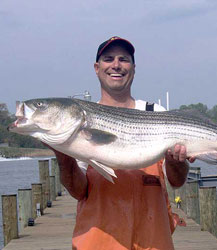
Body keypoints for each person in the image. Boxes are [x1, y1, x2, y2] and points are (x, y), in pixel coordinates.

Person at [52, 36, 195, 250]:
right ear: (97, 67)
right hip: (98, 243)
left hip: (153, 242)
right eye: (108, 59)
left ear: (134, 68)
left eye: (124, 59)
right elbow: (78, 191)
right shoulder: (81, 121)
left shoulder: (156, 114)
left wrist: (177, 161)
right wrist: (63, 155)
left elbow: (176, 181)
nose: (116, 65)